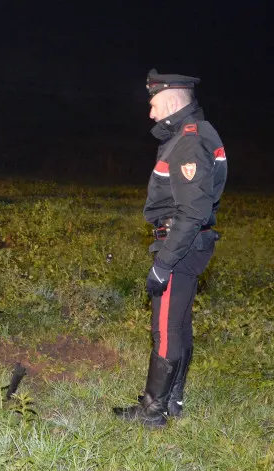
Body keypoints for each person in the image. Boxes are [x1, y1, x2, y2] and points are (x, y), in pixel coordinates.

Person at [113, 69, 228, 427]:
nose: (150, 113)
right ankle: (172, 400)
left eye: (153, 103)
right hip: (190, 244)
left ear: (173, 99)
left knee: (165, 326)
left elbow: (192, 211)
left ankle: (152, 410)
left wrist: (163, 263)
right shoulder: (189, 136)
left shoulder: (190, 142)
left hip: (181, 244)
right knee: (178, 324)